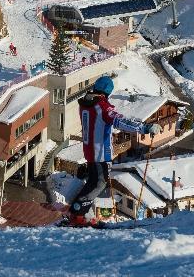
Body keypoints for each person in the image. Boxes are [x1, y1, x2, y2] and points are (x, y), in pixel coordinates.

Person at [68, 76, 162, 225]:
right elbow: (119, 121)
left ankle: (79, 214)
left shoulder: (85, 104)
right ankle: (78, 214)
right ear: (108, 92)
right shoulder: (102, 107)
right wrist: (145, 128)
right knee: (99, 183)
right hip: (101, 152)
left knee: (93, 182)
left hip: (90, 151)